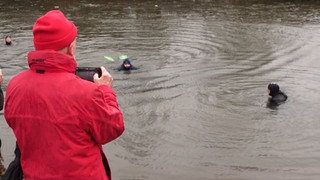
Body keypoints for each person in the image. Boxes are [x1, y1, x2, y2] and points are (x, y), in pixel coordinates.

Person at [4, 10, 124, 180]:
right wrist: (106, 90)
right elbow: (113, 128)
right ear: (71, 48)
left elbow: (14, 123)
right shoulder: (86, 92)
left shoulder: (14, 85)